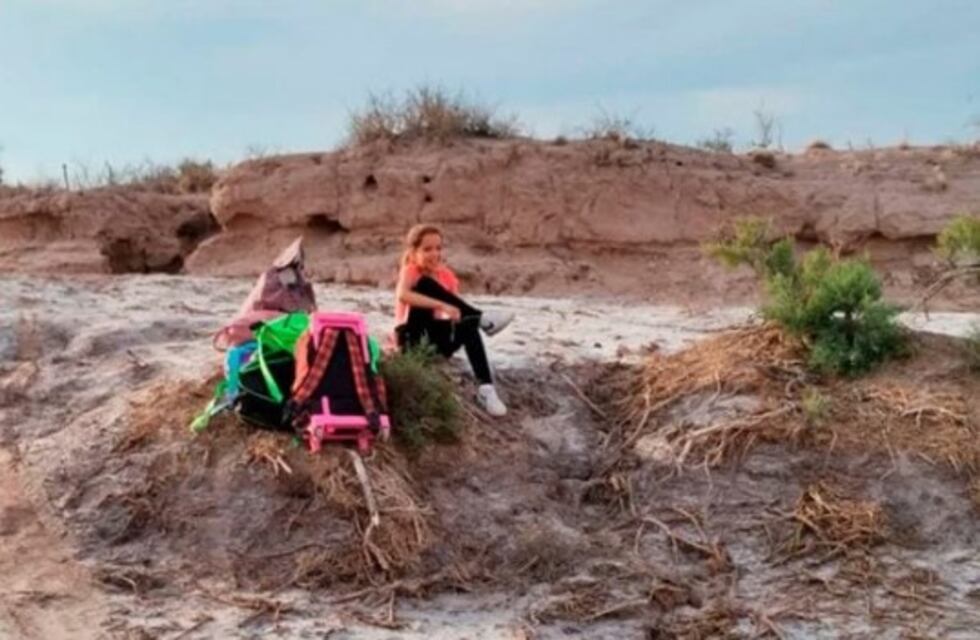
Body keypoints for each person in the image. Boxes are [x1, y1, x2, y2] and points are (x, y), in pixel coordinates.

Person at [394, 224, 514, 416]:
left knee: (468, 326)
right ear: (414, 251)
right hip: (412, 339)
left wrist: (455, 313)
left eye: (438, 248)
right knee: (425, 284)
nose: (434, 254)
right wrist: (440, 305)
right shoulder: (411, 271)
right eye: (427, 249)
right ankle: (482, 318)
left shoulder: (447, 276)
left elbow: (457, 311)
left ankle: (486, 389)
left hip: (437, 341)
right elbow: (403, 295)